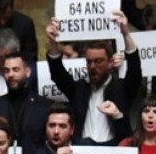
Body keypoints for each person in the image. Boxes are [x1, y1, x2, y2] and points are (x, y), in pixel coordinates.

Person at [44, 16, 143, 145]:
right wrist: (53, 42)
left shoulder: (122, 87)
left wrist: (126, 34)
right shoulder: (78, 88)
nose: (92, 67)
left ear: (110, 62)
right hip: (83, 149)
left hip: (114, 151)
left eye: (98, 61)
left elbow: (135, 70)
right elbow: (58, 73)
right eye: (89, 62)